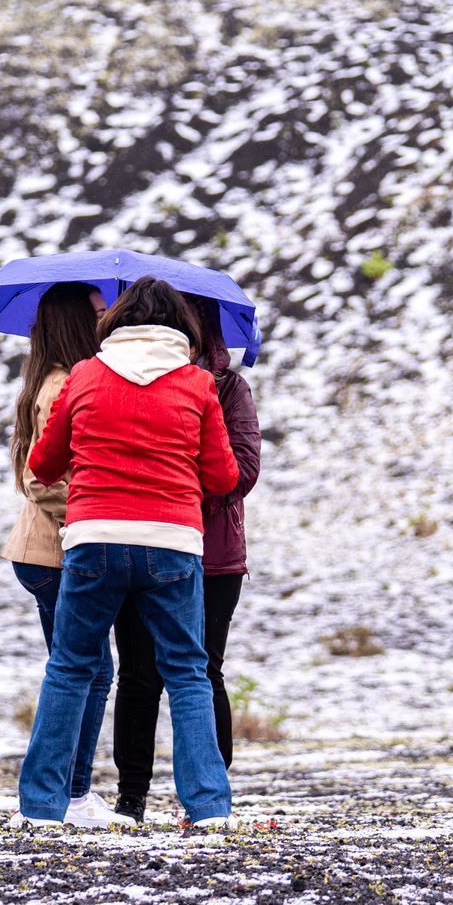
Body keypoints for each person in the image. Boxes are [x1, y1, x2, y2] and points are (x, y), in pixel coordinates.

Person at [17, 276, 240, 829]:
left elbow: (43, 464)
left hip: (93, 539)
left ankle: (43, 808)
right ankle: (208, 806)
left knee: (69, 667)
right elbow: (223, 475)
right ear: (179, 330)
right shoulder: (197, 384)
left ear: (115, 325)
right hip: (172, 545)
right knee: (188, 672)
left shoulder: (86, 375)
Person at [111, 294, 260, 824]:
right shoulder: (127, 380)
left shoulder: (229, 389)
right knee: (138, 674)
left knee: (204, 672)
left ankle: (210, 795)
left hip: (213, 555)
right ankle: (131, 797)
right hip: (150, 539)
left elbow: (241, 471)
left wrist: (174, 473)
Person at [0, 281, 125, 829]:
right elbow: (40, 481)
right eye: (97, 313)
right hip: (54, 551)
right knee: (86, 671)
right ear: (74, 322)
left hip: (44, 549)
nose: (105, 320)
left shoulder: (51, 383)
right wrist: (91, 519)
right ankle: (69, 796)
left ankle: (72, 792)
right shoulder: (63, 386)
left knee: (86, 669)